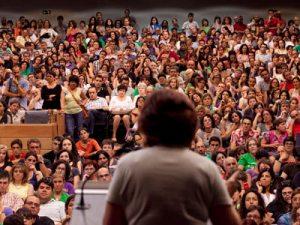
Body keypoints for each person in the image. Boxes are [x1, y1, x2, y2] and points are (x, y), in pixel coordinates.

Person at [103, 89, 241, 225]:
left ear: (145, 125)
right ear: (191, 128)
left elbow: (111, 221)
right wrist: (225, 196)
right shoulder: (205, 168)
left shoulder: (128, 166)